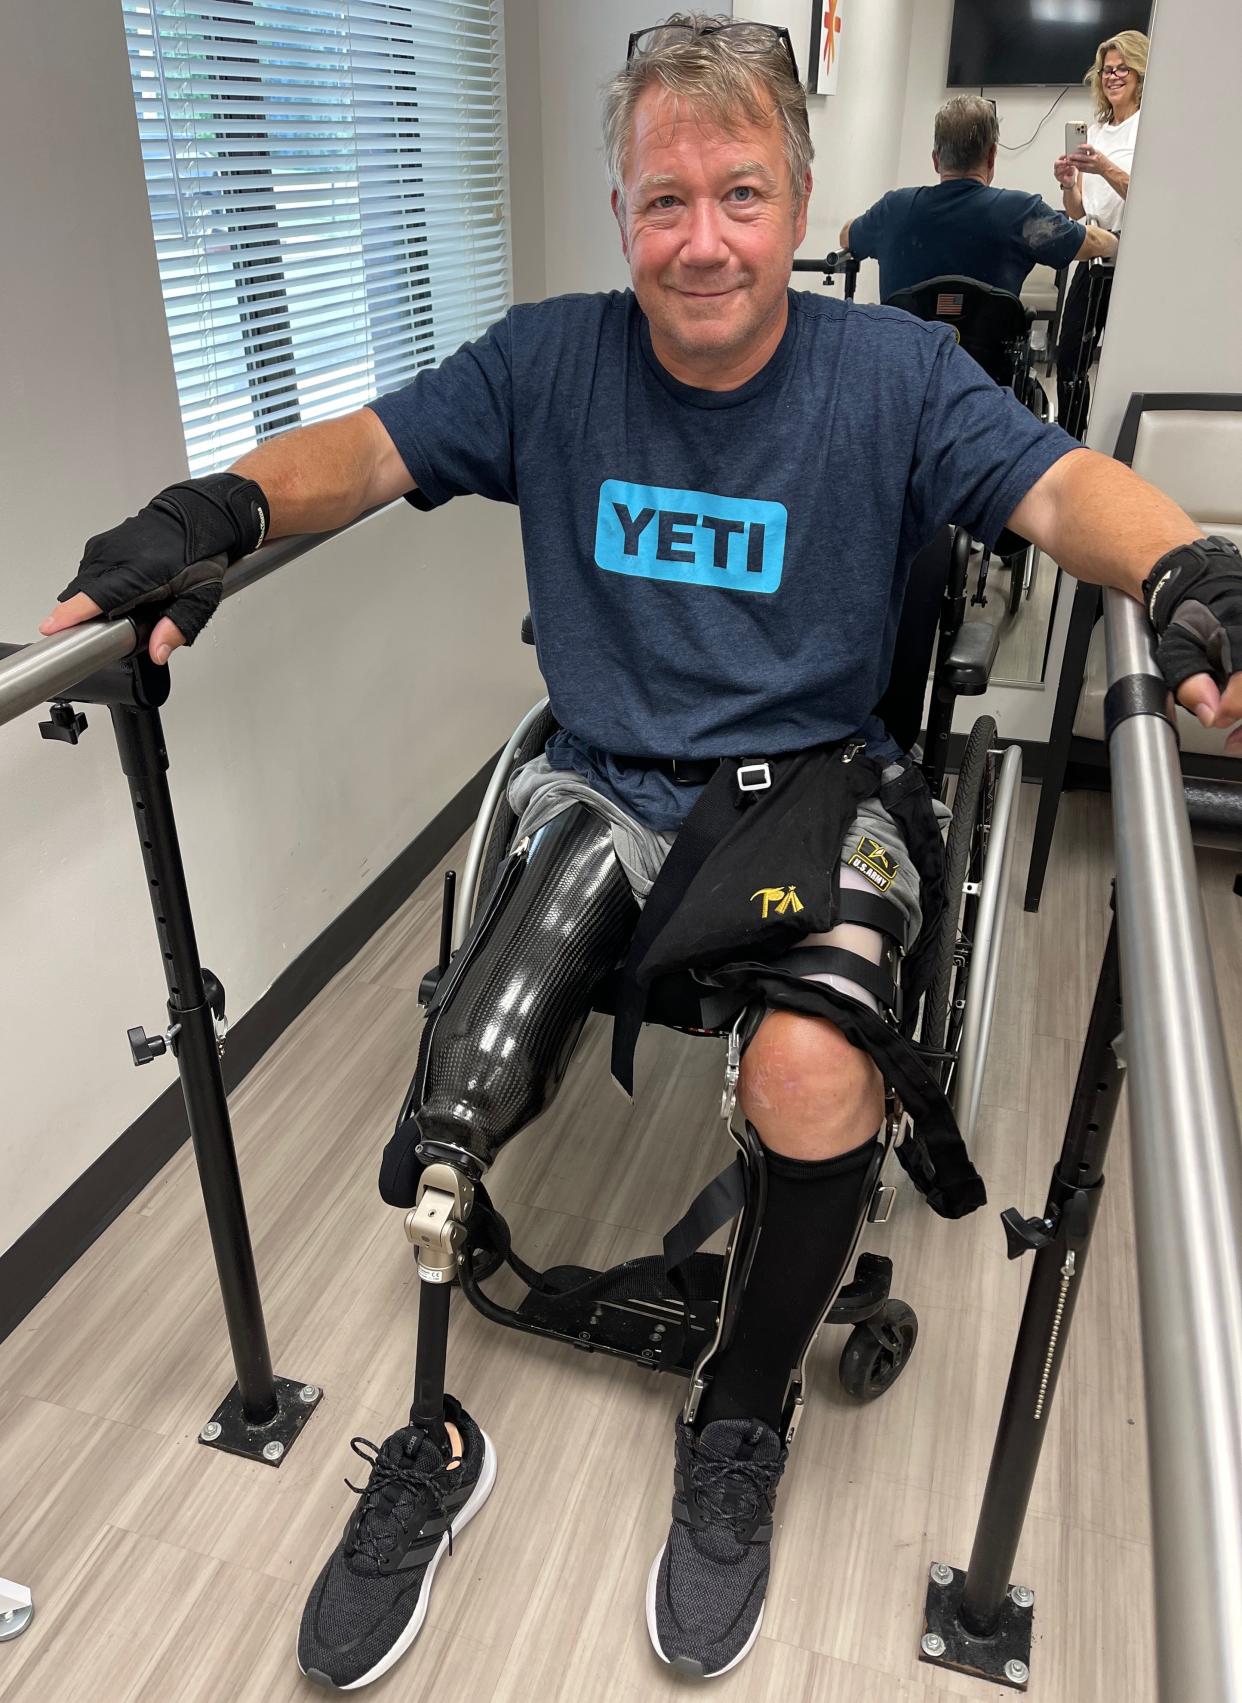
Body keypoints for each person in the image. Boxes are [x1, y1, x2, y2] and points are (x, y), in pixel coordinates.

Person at [39, 12, 1242, 1690]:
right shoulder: (547, 360)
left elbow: (1055, 494)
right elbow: (363, 453)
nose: (701, 237)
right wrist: (214, 514)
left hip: (815, 783)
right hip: (603, 784)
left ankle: (739, 1416)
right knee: (451, 1098)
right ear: (618, 215)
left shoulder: (891, 376)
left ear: (799, 199)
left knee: (815, 1070)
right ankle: (434, 1440)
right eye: (661, 198)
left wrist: (1184, 570)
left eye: (739, 193)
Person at [841, 94, 1115, 304]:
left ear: (936, 160)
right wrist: (1116, 238)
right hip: (984, 374)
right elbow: (1091, 243)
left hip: (905, 371)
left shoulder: (894, 209)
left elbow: (846, 237)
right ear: (992, 156)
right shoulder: (1022, 213)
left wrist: (875, 220)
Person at [1052, 29, 1149, 432]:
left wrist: (1104, 166)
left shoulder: (1150, 127)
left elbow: (1146, 194)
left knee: (1127, 361)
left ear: (1141, 74)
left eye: (1122, 68)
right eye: (1107, 70)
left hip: (1133, 256)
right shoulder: (1095, 132)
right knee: (1070, 354)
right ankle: (1073, 441)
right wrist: (1069, 181)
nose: (1112, 76)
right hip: (1092, 252)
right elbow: (1076, 211)